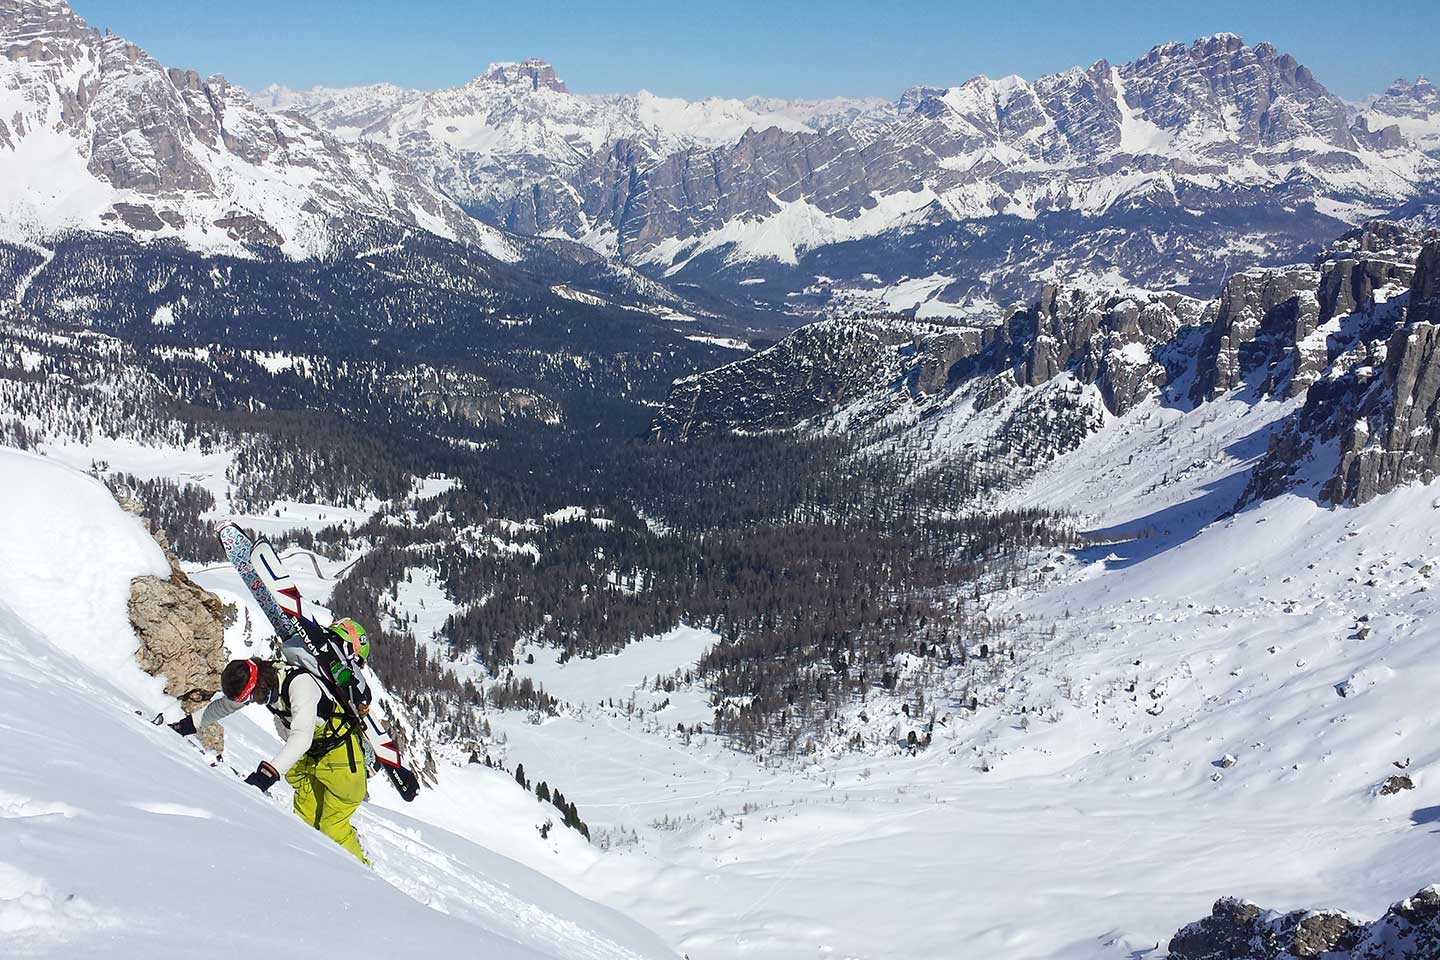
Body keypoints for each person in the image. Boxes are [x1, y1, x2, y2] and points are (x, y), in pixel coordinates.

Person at [170, 618, 374, 865]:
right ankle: (317, 873)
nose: (256, 701)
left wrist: (266, 776)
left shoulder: (300, 685)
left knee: (333, 828)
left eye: (256, 697)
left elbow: (302, 737)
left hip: (341, 761)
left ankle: (363, 879)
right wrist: (185, 726)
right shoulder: (258, 681)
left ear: (262, 683)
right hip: (314, 760)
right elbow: (225, 706)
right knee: (305, 825)